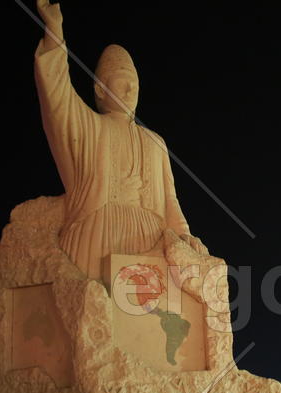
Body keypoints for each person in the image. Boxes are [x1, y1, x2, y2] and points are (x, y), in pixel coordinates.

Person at [35, 0, 206, 280]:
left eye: (135, 84)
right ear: (100, 89)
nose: (130, 89)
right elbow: (57, 95)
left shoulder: (155, 142)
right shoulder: (88, 126)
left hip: (150, 237)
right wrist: (54, 30)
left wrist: (183, 236)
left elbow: (169, 201)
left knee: (157, 318)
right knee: (101, 311)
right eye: (122, 80)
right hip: (97, 233)